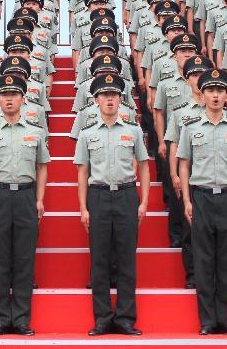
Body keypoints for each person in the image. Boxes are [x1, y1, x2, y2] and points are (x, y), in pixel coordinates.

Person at [74, 73, 150, 336]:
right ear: (96, 100)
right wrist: (83, 207)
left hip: (127, 195)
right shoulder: (87, 134)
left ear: (121, 99)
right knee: (100, 260)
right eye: (105, 95)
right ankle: (103, 318)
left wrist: (145, 202)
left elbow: (143, 165)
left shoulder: (133, 130)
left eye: (114, 95)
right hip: (98, 196)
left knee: (127, 259)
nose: (110, 99)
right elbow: (82, 172)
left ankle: (127, 317)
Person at [0, 74, 49, 336]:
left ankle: (20, 318)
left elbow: (42, 167)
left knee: (24, 259)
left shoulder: (35, 132)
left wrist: (40, 199)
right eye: (4, 95)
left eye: (14, 94)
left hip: (26, 197)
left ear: (22, 99)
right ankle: (0, 319)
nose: (9, 99)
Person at [177, 69, 227, 335]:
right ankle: (207, 320)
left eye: (220, 91)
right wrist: (187, 200)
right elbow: (184, 165)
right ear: (202, 94)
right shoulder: (191, 128)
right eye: (210, 91)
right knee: (204, 262)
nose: (215, 95)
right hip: (202, 197)